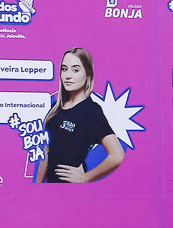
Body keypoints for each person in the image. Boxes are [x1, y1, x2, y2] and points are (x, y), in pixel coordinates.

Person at [37, 48, 123, 183]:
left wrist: (84, 177)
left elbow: (117, 155)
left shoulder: (91, 111)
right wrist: (38, 185)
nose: (68, 76)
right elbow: (48, 150)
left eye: (75, 70)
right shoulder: (56, 106)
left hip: (71, 188)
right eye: (64, 69)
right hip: (50, 186)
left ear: (88, 74)